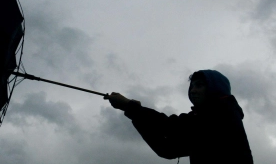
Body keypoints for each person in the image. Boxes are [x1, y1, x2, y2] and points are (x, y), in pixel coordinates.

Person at [104, 70, 253, 164]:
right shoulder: (203, 120)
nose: (193, 90)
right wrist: (135, 115)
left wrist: (129, 107)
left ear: (216, 88)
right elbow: (167, 150)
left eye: (200, 85)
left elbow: (170, 126)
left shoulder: (222, 112)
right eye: (192, 86)